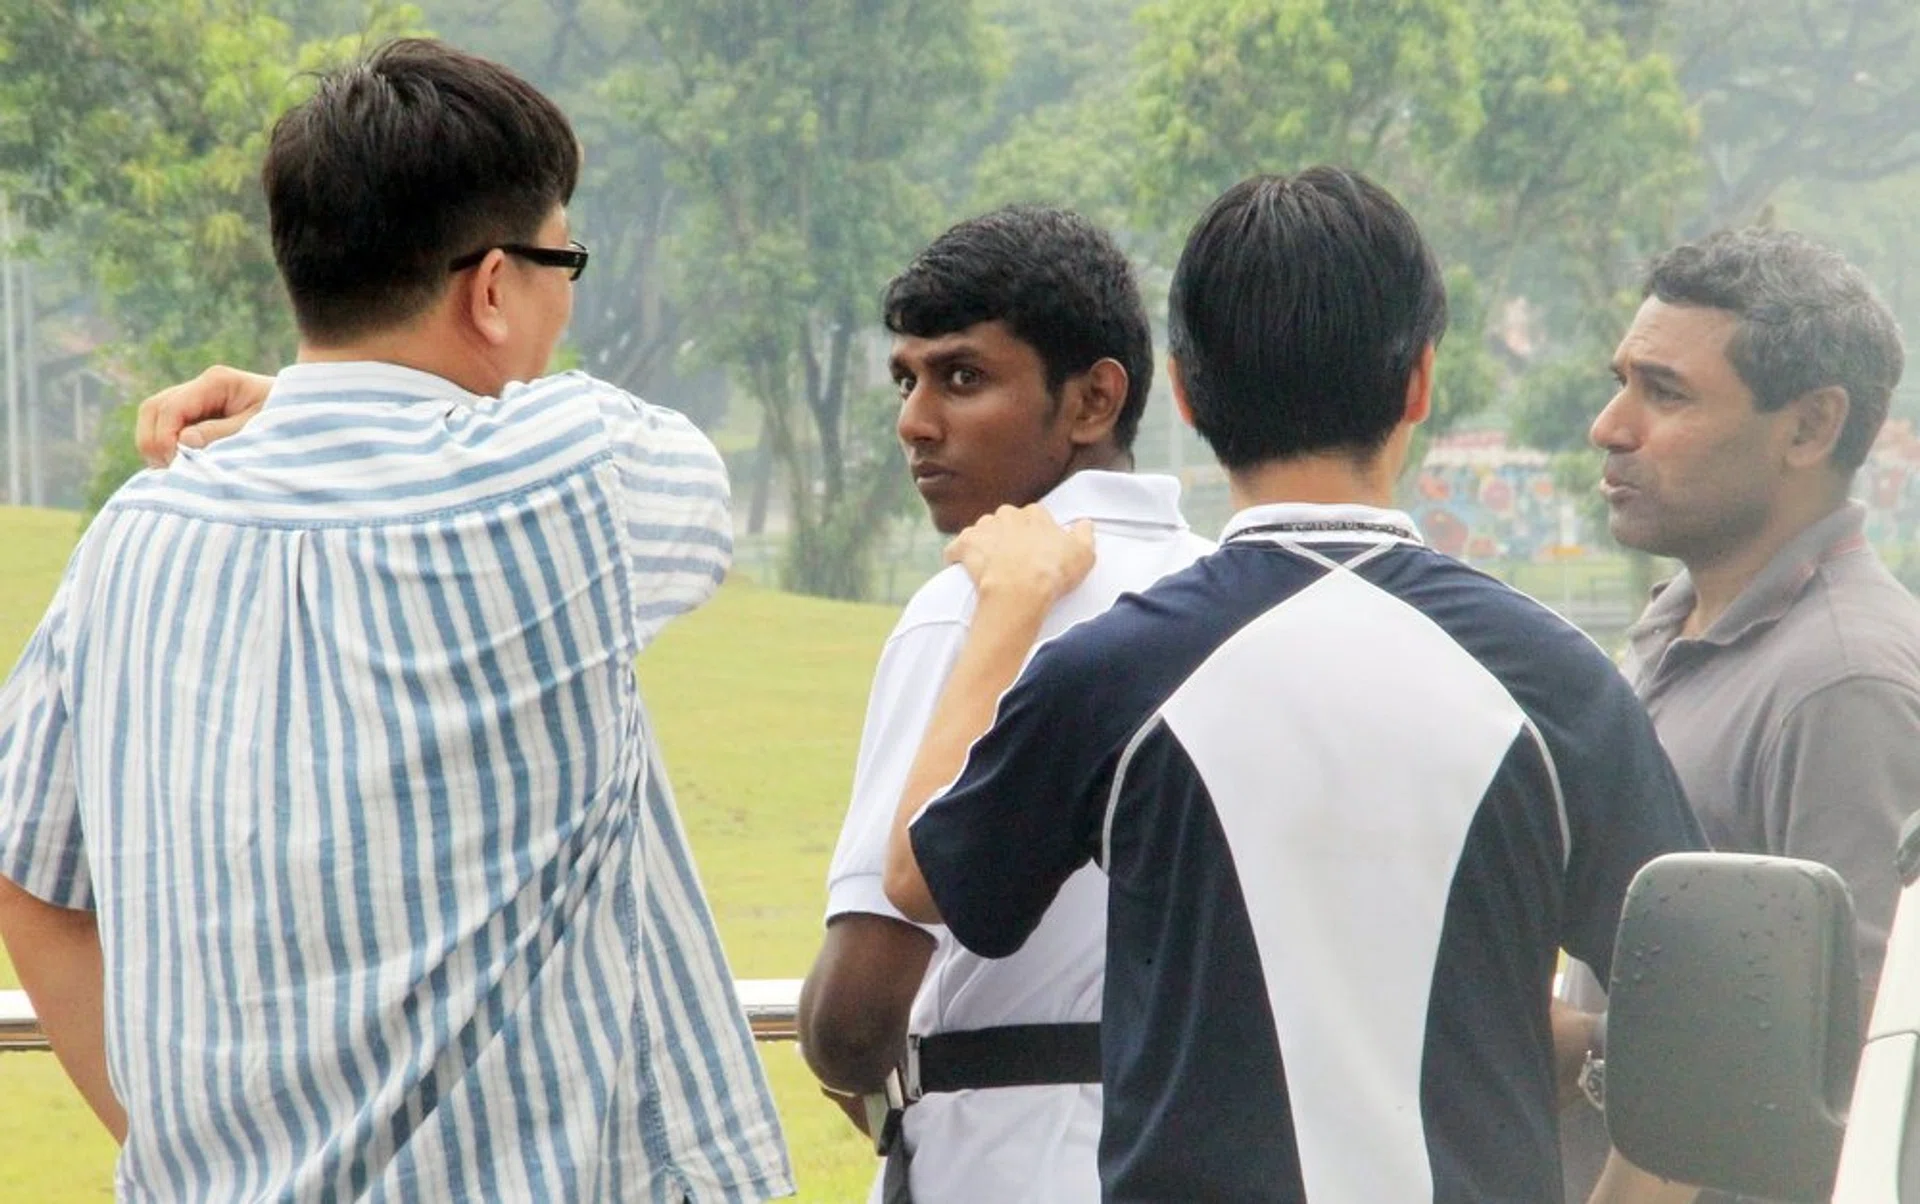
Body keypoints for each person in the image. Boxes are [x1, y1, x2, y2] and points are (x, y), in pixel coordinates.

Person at [0, 39, 792, 1202]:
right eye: (561, 260)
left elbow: (30, 881)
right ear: (490, 286)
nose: (566, 300)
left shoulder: (132, 541)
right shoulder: (571, 478)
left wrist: (196, 1157)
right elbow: (693, 495)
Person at [880, 168, 1704, 1203]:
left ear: (1181, 388)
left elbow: (919, 877)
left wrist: (1001, 613)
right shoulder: (1555, 681)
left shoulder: (1113, 674)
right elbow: (1707, 998)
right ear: (1420, 382)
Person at [794, 206, 1213, 1203]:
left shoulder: (972, 612)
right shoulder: (1224, 595)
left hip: (1003, 1159)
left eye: (963, 376)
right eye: (907, 379)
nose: (915, 419)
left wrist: (852, 1060)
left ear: (1092, 398)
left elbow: (854, 1020)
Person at [1561, 227, 1920, 1202]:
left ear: (1809, 427)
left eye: (1664, 392)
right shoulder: (1676, 626)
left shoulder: (1844, 684)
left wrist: (1586, 1054)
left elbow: (1857, 1065)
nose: (1610, 425)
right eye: (1621, 380)